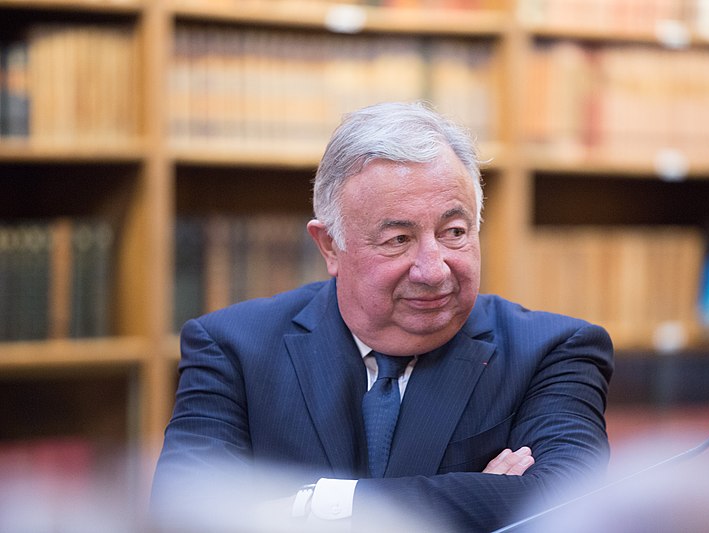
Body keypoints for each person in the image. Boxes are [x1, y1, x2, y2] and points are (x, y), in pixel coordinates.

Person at [151, 101, 614, 532]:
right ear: (330, 245)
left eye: (454, 232)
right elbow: (184, 518)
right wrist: (479, 502)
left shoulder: (554, 350)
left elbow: (572, 504)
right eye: (398, 239)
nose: (434, 269)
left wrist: (312, 508)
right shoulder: (233, 347)